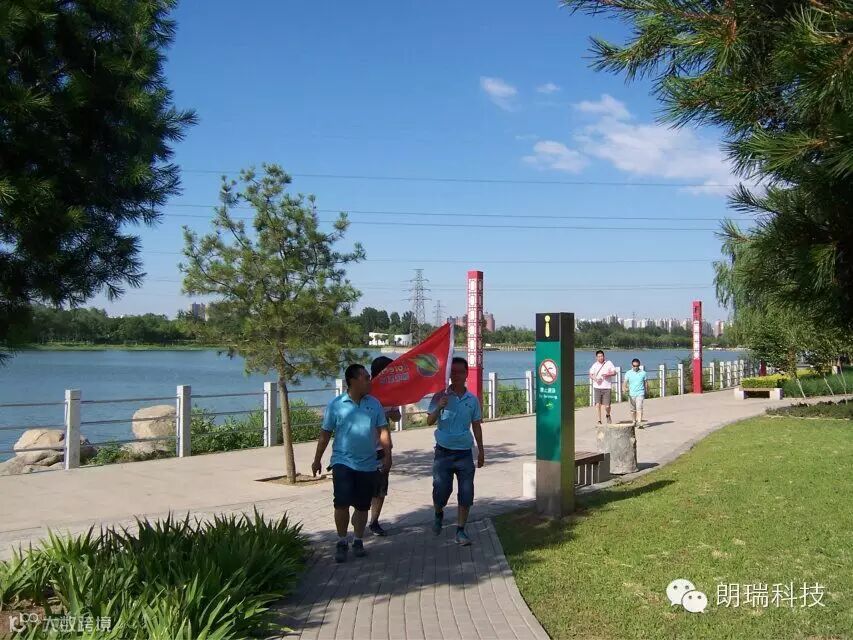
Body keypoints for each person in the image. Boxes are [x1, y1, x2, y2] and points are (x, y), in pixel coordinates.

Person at [312, 363, 392, 563]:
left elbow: (383, 430)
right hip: (343, 462)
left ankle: (358, 540)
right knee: (341, 503)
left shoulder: (374, 404)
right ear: (353, 381)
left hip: (368, 464)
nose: (369, 381)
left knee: (362, 506)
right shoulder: (336, 405)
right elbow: (325, 434)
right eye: (366, 377)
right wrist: (317, 459)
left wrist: (388, 455)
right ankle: (341, 541)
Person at [426, 357, 484, 546]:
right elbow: (429, 421)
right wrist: (439, 407)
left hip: (464, 453)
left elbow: (476, 426)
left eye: (460, 372)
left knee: (466, 493)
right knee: (441, 490)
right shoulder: (440, 396)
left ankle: (460, 530)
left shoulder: (472, 400)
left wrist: (481, 450)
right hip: (443, 453)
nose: (456, 375)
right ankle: (438, 512)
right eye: (453, 371)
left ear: (467, 374)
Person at [368, 356, 402, 537]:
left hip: (382, 448)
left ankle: (374, 522)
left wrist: (389, 411)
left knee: (380, 489)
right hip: (362, 449)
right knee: (362, 489)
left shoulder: (390, 393)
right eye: (389, 370)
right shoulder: (365, 393)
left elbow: (397, 417)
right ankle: (359, 521)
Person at [589, 350, 617, 424]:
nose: (600, 357)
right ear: (596, 357)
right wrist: (596, 379)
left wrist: (608, 374)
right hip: (597, 387)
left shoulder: (609, 363)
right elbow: (591, 374)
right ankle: (599, 420)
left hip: (607, 387)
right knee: (598, 404)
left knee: (607, 406)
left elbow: (614, 372)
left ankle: (608, 415)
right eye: (598, 356)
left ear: (604, 356)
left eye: (601, 356)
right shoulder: (594, 365)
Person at [623, 358, 649, 428]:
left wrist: (646, 391)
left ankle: (639, 422)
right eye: (634, 366)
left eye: (637, 366)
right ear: (631, 365)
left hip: (640, 393)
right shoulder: (628, 373)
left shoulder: (643, 373)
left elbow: (646, 383)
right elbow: (625, 382)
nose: (635, 367)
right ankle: (634, 421)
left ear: (639, 365)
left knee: (639, 408)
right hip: (631, 394)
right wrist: (624, 388)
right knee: (632, 410)